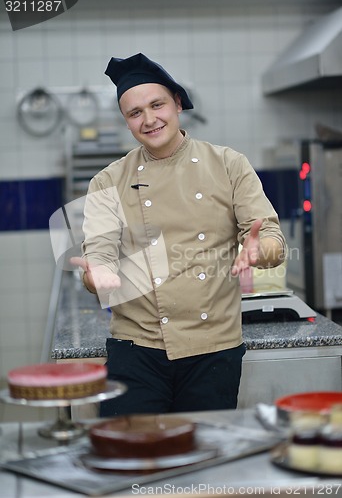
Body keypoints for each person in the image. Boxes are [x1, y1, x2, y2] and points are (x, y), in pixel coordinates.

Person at [71, 53, 286, 417]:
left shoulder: (229, 164)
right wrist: (96, 276)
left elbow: (271, 238)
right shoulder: (108, 181)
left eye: (157, 105)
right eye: (135, 113)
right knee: (133, 460)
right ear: (127, 122)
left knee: (204, 463)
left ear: (178, 104)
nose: (149, 119)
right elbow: (99, 255)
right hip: (135, 347)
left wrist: (259, 252)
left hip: (214, 349)